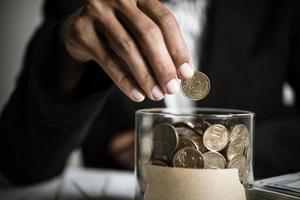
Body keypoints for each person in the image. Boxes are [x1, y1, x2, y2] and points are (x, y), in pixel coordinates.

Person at [0, 0, 300, 185]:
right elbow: (21, 166)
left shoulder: (279, 7)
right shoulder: (85, 9)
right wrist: (68, 57)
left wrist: (223, 152)